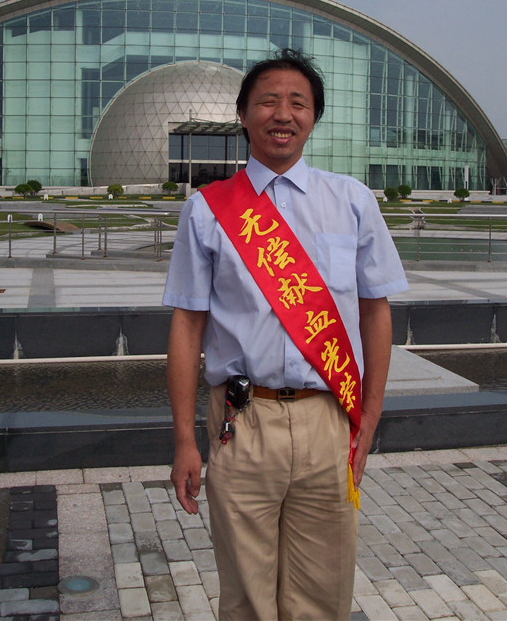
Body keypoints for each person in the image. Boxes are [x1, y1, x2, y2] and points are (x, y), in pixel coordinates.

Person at [163, 49, 408, 621]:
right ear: (243, 114)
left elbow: (375, 312)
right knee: (246, 599)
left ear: (313, 117)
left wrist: (369, 418)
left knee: (323, 596)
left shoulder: (351, 201)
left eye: (298, 102)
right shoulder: (208, 211)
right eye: (268, 100)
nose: (283, 113)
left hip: (329, 421)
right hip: (242, 423)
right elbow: (187, 325)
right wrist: (183, 441)